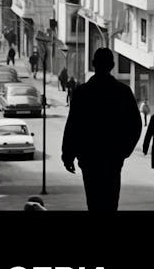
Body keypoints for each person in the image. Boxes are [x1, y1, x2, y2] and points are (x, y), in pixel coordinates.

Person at [61, 48, 142, 212]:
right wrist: (124, 151)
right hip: (112, 159)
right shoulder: (122, 92)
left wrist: (68, 155)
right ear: (112, 65)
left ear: (93, 64)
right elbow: (135, 125)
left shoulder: (82, 92)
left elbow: (73, 126)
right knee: (111, 204)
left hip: (89, 158)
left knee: (94, 203)